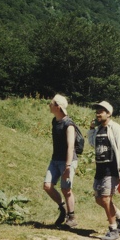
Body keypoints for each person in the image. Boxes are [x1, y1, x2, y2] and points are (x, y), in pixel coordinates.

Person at [87, 101, 120, 240]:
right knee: (99, 199)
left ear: (109, 113)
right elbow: (93, 143)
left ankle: (113, 230)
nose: (98, 114)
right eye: (97, 111)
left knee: (106, 198)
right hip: (100, 168)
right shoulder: (99, 129)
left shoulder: (116, 128)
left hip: (112, 168)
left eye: (101, 111)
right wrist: (91, 129)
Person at [43, 94, 78, 228]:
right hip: (55, 159)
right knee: (47, 186)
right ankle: (63, 208)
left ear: (57, 106)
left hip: (67, 161)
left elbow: (71, 147)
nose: (49, 105)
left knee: (66, 189)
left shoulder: (69, 125)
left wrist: (68, 167)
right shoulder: (54, 121)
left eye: (51, 103)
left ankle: (72, 217)